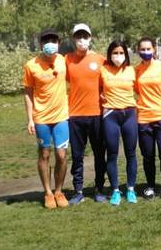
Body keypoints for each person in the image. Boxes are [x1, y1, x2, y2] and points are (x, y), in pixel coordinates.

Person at [23, 28, 70, 209]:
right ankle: (48, 193)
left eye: (54, 40)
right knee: (44, 153)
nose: (50, 44)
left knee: (61, 154)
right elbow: (27, 92)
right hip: (41, 117)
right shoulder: (31, 65)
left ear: (58, 43)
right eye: (46, 41)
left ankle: (59, 190)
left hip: (61, 116)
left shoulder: (63, 61)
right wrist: (30, 119)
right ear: (41, 44)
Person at [65, 23, 107, 205]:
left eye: (85, 36)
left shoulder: (100, 60)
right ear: (73, 39)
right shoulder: (67, 60)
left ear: (91, 38)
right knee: (77, 155)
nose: (82, 40)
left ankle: (99, 188)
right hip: (75, 116)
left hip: (97, 114)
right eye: (78, 36)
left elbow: (109, 82)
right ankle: (78, 190)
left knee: (99, 153)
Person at [100, 40, 138, 206]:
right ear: (109, 54)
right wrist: (100, 95)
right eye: (115, 53)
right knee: (112, 153)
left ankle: (130, 189)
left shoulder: (131, 70)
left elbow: (141, 89)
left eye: (121, 53)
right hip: (111, 114)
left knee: (131, 153)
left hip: (129, 114)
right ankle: (115, 190)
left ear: (126, 54)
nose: (118, 56)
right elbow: (95, 88)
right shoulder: (103, 70)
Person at [134, 37, 161, 200]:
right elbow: (135, 89)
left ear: (154, 49)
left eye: (148, 49)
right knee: (148, 155)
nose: (145, 52)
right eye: (142, 49)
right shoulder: (136, 70)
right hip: (143, 118)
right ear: (138, 51)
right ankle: (150, 186)